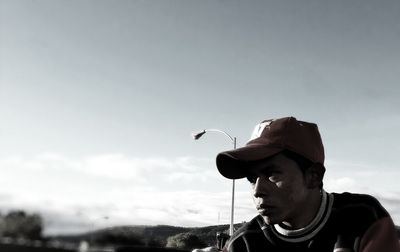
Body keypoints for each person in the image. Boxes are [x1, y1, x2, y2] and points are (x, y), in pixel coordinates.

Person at [215, 116, 400, 252]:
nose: (257, 191)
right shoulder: (243, 243)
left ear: (313, 176)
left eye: (271, 174)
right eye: (251, 178)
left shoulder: (362, 217)